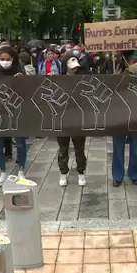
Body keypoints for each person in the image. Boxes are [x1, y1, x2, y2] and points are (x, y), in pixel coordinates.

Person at [0, 46, 28, 186]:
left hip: (17, 113)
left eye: (8, 59)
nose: (5, 62)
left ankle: (21, 171)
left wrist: (23, 81)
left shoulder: (20, 72)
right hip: (0, 113)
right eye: (2, 59)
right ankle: (2, 172)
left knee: (20, 143)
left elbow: (28, 93)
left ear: (13, 59)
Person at [57, 57, 88, 187]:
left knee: (79, 149)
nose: (74, 68)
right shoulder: (59, 80)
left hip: (78, 119)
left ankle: (81, 172)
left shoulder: (83, 79)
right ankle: (63, 173)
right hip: (63, 119)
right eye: (71, 66)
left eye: (76, 66)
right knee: (63, 148)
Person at [112, 57, 137, 187]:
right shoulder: (117, 77)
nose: (135, 65)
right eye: (133, 62)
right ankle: (117, 176)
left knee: (135, 149)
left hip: (136, 118)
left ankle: (135, 174)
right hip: (119, 118)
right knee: (118, 148)